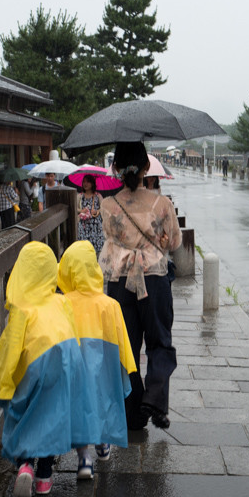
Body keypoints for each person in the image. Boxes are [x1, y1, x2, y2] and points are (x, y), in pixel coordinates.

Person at [0, 242, 88, 497]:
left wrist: (3, 387)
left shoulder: (21, 310)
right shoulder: (60, 302)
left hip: (36, 364)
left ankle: (25, 465)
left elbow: (9, 350)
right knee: (52, 417)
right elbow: (73, 333)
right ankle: (45, 479)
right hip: (66, 359)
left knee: (24, 413)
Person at [99, 141, 182, 431]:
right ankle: (155, 399)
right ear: (147, 167)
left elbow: (109, 241)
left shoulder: (107, 205)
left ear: (116, 169)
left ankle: (133, 415)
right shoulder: (162, 204)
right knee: (159, 342)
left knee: (127, 347)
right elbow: (174, 243)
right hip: (155, 280)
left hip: (120, 284)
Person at [57, 240, 137, 471]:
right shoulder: (110, 305)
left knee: (78, 407)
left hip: (73, 367)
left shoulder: (62, 303)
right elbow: (121, 339)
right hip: (103, 366)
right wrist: (128, 366)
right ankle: (102, 443)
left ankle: (83, 458)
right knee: (102, 400)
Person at [77, 174, 105, 255]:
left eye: (88, 182)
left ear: (92, 183)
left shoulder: (98, 196)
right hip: (83, 226)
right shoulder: (80, 196)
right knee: (84, 250)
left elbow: (103, 208)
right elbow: (75, 208)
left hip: (96, 227)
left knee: (96, 250)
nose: (85, 184)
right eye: (84, 182)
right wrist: (81, 210)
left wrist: (97, 211)